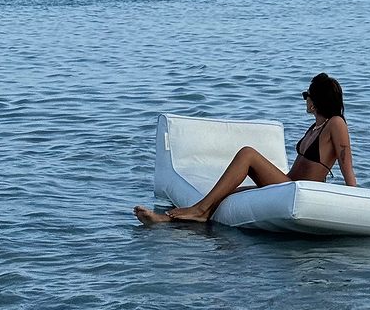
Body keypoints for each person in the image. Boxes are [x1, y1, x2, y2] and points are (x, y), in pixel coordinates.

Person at [134, 73, 357, 225]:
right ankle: (168, 220)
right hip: (287, 183)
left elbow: (348, 169)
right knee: (228, 193)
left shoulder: (335, 124)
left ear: (316, 99)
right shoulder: (316, 126)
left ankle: (198, 211)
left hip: (297, 189)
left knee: (247, 153)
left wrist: (355, 204)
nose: (305, 100)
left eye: (306, 95)